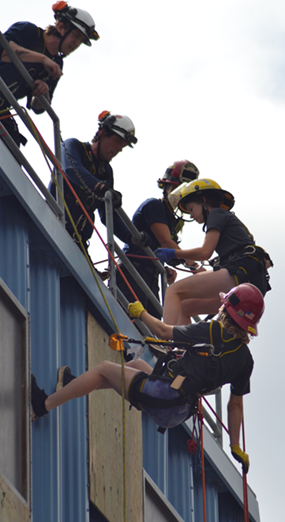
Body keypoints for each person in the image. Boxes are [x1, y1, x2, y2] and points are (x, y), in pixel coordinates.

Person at [31, 283, 264, 474]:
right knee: (137, 366)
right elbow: (235, 405)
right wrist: (235, 446)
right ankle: (73, 386)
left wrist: (140, 313)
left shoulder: (213, 330)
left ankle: (42, 405)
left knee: (103, 368)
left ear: (228, 311)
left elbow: (163, 332)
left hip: (165, 395)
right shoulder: (246, 361)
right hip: (179, 411)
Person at [154, 178, 272, 325]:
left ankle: (166, 339)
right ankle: (184, 347)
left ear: (203, 201)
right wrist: (197, 269)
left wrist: (174, 253)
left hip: (241, 270)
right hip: (251, 279)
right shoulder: (227, 219)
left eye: (191, 209)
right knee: (184, 307)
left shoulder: (216, 214)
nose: (191, 215)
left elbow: (205, 252)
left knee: (173, 292)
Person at [0, 2, 99, 147]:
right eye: (76, 36)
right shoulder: (29, 31)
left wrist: (43, 93)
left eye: (81, 41)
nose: (77, 43)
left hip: (3, 109)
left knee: (13, 144)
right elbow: (5, 52)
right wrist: (43, 59)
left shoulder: (56, 64)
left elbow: (38, 108)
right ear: (60, 27)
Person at [116, 160, 200, 318]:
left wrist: (163, 267)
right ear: (167, 187)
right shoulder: (154, 206)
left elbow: (166, 251)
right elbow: (165, 242)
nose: (180, 195)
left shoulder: (172, 221)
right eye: (177, 189)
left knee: (152, 330)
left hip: (151, 277)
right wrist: (194, 266)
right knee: (131, 322)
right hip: (133, 271)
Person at [53, 110, 138, 254]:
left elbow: (108, 215)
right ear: (102, 133)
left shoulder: (106, 172)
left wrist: (132, 237)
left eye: (122, 146)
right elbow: (71, 169)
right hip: (53, 224)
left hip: (78, 242)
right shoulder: (74, 146)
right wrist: (101, 187)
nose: (119, 150)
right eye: (117, 142)